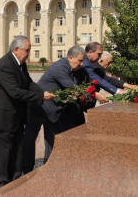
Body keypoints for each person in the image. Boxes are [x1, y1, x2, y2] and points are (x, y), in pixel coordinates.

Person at [0, 35, 55, 187]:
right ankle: (4, 187)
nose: (29, 54)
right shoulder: (4, 65)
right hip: (0, 120)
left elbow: (28, 83)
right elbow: (15, 92)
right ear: (17, 49)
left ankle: (15, 185)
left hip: (15, 118)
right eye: (27, 50)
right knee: (4, 158)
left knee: (17, 155)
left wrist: (44, 91)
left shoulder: (20, 63)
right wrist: (41, 96)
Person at [22, 46, 107, 174]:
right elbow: (72, 88)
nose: (81, 64)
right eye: (79, 60)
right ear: (70, 57)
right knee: (30, 138)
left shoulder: (73, 68)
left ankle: (50, 168)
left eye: (83, 61)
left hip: (52, 110)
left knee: (51, 140)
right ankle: (26, 171)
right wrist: (95, 94)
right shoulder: (60, 67)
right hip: (38, 107)